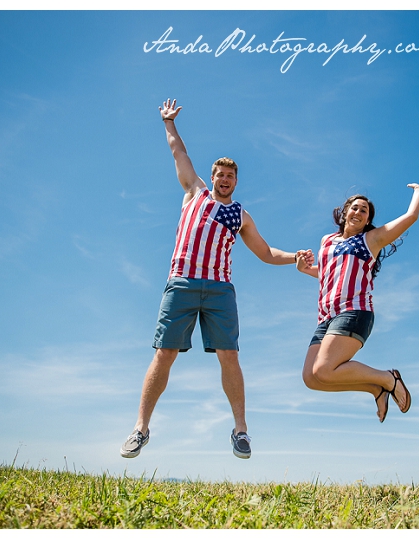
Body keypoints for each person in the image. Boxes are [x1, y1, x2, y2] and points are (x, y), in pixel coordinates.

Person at [121, 98, 313, 460]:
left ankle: (241, 431)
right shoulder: (194, 193)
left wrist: (295, 259)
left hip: (220, 290)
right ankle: (140, 429)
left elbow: (266, 252)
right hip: (182, 282)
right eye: (220, 175)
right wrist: (168, 123)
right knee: (165, 354)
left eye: (231, 176)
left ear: (237, 182)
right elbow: (179, 152)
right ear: (212, 178)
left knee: (230, 355)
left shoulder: (240, 215)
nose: (225, 180)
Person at [295, 184, 419, 422]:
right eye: (354, 208)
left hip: (354, 311)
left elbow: (411, 217)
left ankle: (388, 378)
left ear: (367, 221)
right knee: (311, 378)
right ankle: (375, 388)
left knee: (323, 369)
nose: (358, 212)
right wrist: (305, 269)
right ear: (345, 212)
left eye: (364, 211)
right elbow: (328, 272)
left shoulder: (371, 240)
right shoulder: (327, 240)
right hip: (326, 317)